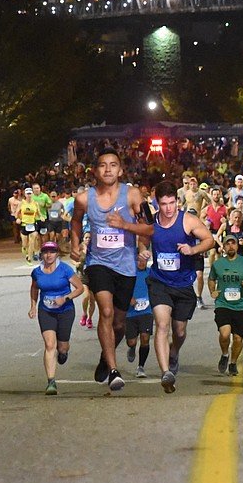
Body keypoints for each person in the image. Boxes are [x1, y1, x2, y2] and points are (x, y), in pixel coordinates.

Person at [70, 147, 154, 393]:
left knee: (119, 323)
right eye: (103, 165)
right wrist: (75, 244)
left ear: (120, 170)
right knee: (105, 312)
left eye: (113, 165)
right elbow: (75, 220)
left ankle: (105, 358)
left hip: (126, 266)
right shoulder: (84, 198)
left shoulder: (133, 195)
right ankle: (115, 370)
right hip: (98, 263)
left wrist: (125, 225)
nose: (108, 169)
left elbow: (150, 228)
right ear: (95, 170)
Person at [139, 180, 215, 394]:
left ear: (177, 202)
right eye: (164, 204)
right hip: (159, 281)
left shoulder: (188, 221)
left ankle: (174, 352)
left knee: (179, 331)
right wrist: (143, 251)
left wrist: (193, 249)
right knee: (162, 325)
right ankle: (166, 372)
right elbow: (143, 242)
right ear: (157, 203)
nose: (168, 208)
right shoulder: (151, 223)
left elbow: (209, 240)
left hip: (183, 284)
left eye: (172, 203)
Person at [28, 241, 84, 395]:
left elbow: (80, 288)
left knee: (62, 346)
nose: (49, 255)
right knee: (49, 344)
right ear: (42, 254)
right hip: (46, 311)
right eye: (46, 252)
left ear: (57, 253)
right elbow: (34, 288)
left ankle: (63, 352)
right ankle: (51, 382)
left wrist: (66, 298)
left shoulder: (65, 270)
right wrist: (33, 306)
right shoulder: (37, 272)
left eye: (52, 252)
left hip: (65, 310)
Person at [208, 234, 243, 376]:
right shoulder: (218, 264)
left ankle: (233, 362)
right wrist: (212, 291)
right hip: (223, 304)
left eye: (233, 243)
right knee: (224, 334)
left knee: (238, 338)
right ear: (223, 247)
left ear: (237, 246)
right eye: (227, 244)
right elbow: (211, 279)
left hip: (241, 305)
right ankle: (225, 354)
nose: (231, 246)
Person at [126, 260, 154, 378]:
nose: (142, 263)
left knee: (145, 338)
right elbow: (119, 288)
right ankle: (131, 348)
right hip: (130, 312)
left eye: (144, 261)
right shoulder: (128, 274)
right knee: (131, 341)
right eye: (139, 260)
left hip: (147, 310)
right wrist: (128, 298)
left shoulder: (151, 273)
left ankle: (141, 366)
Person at [17, 187, 41, 264]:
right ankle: (25, 250)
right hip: (24, 224)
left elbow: (38, 213)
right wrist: (18, 218)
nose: (29, 195)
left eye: (30, 193)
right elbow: (17, 213)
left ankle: (30, 258)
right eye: (27, 193)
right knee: (25, 244)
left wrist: (41, 217)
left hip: (33, 224)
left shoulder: (35, 203)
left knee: (32, 242)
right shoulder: (22, 203)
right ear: (25, 194)